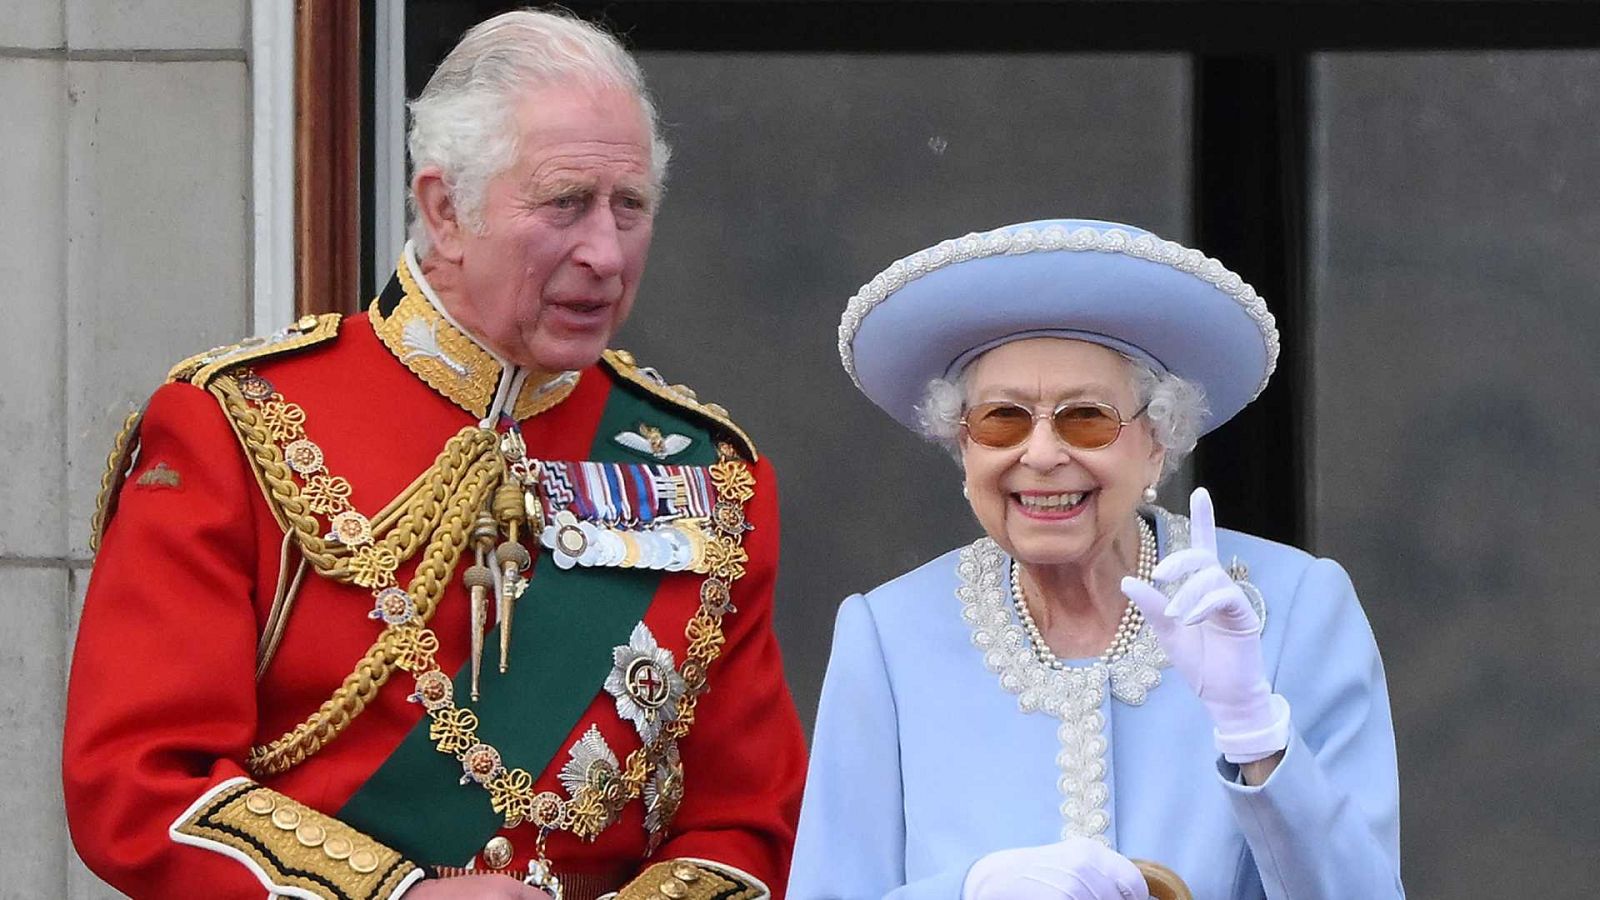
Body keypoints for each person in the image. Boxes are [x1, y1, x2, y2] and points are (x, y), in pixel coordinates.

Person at [64, 10, 806, 900]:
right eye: (566, 203)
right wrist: (396, 896)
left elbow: (750, 822)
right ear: (445, 209)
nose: (606, 254)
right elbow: (141, 780)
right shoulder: (237, 425)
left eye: (631, 206)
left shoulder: (710, 475)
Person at [790, 219, 1404, 900]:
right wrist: (968, 891)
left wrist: (1257, 736)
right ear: (964, 448)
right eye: (1002, 419)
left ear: (1157, 443)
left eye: (1086, 419)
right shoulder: (888, 636)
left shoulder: (1297, 608)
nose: (1042, 455)